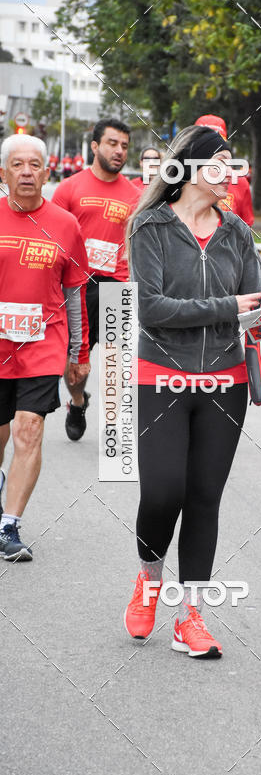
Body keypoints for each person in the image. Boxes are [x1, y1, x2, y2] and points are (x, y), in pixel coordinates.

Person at [124, 124, 261, 658]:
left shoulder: (236, 230)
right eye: (220, 164)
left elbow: (258, 297)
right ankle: (149, 579)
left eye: (232, 164)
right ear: (190, 169)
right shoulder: (149, 226)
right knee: (162, 491)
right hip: (161, 377)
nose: (229, 174)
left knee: (204, 498)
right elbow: (152, 309)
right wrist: (230, 308)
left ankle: (189, 617)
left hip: (225, 381)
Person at [0, 134, 90, 560]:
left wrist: (79, 353)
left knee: (29, 428)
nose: (26, 172)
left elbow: (74, 294)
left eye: (34, 165)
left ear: (47, 172)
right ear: (3, 173)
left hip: (43, 343)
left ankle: (9, 525)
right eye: (17, 165)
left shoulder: (65, 225)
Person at [52, 118, 138, 440]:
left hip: (117, 285)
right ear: (95, 146)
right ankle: (77, 401)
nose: (119, 151)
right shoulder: (69, 188)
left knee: (117, 362)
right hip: (76, 286)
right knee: (74, 361)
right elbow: (52, 237)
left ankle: (114, 426)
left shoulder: (135, 196)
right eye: (112, 143)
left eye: (124, 146)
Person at [194, 115, 254, 226]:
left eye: (216, 143)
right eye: (204, 144)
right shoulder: (184, 181)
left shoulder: (239, 182)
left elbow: (246, 226)